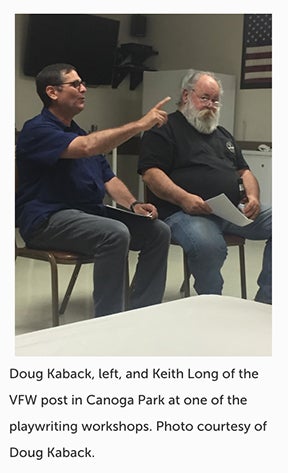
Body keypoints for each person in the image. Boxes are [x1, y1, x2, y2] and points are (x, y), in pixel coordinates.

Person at [16, 63, 172, 317]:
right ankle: (108, 321)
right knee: (114, 233)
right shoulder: (37, 130)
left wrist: (133, 205)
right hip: (46, 220)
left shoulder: (77, 131)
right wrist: (140, 125)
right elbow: (87, 147)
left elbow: (108, 178)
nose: (83, 89)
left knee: (158, 231)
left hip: (88, 215)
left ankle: (143, 312)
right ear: (52, 92)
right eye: (75, 84)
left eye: (82, 83)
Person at [138, 69, 272, 304]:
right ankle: (212, 304)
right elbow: (151, 174)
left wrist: (253, 197)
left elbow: (245, 171)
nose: (211, 105)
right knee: (209, 245)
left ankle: (268, 300)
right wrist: (184, 198)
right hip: (183, 212)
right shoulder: (164, 128)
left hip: (230, 212)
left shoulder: (222, 134)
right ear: (186, 96)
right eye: (205, 98)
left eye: (216, 100)